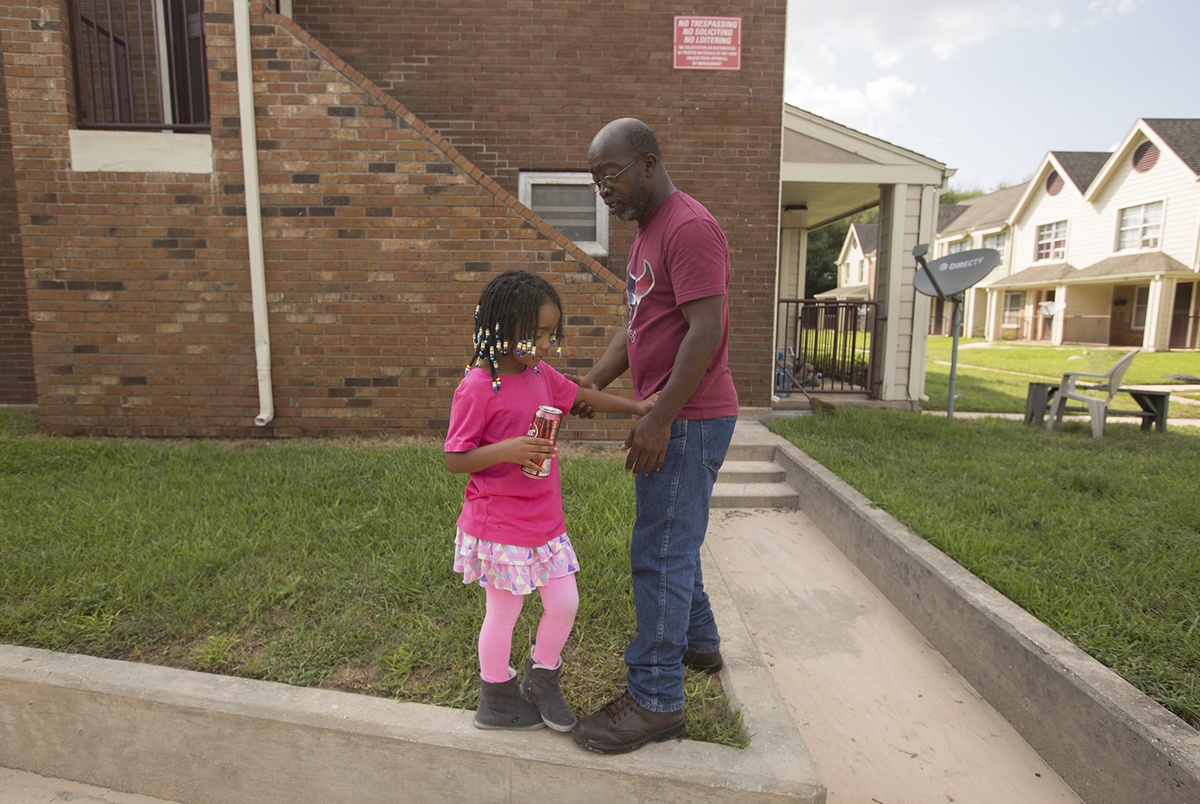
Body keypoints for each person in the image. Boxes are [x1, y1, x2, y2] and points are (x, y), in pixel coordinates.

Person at [569, 118, 740, 754]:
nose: (602, 190)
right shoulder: (646, 235)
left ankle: (657, 699)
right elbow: (635, 328)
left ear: (647, 163)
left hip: (688, 418)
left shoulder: (688, 226)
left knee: (660, 551)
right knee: (676, 540)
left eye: (609, 175)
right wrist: (588, 384)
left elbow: (706, 331)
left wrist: (660, 417)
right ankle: (699, 643)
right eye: (595, 181)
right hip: (674, 413)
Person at [445, 269, 658, 733]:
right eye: (535, 333)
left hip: (544, 521)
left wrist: (636, 407)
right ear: (501, 327)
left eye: (550, 334)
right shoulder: (479, 386)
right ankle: (496, 695)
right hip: (498, 522)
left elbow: (580, 395)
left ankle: (543, 678)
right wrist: (510, 450)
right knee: (504, 610)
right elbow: (455, 458)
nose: (544, 343)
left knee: (564, 603)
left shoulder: (541, 375)